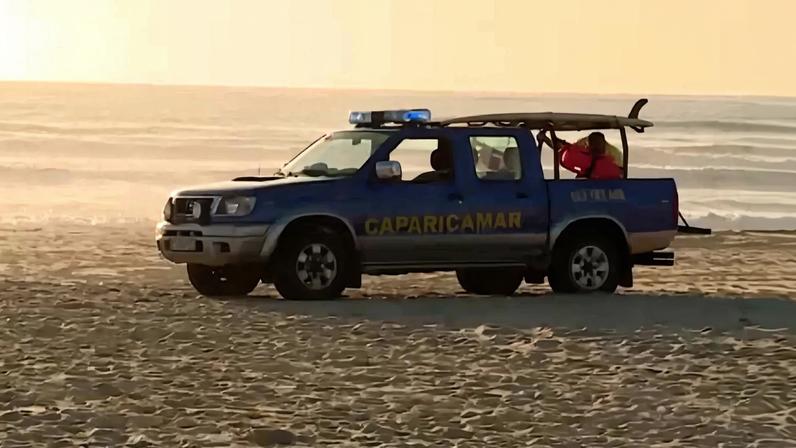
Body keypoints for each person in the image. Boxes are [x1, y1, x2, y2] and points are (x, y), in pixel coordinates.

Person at [536, 130, 622, 180]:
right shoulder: (584, 153)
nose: (589, 146)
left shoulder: (612, 155)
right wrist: (547, 139)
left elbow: (563, 150)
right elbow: (563, 148)